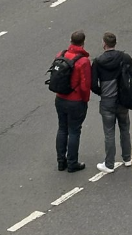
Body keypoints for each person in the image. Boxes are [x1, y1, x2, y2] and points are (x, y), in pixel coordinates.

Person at [90, 31, 132, 174]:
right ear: (115, 43)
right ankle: (127, 158)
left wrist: (101, 92)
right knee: (125, 129)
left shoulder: (98, 61)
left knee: (109, 133)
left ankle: (109, 164)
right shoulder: (124, 57)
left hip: (107, 102)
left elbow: (92, 84)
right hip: (122, 101)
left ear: (104, 44)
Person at [53, 30, 92, 173]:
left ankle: (60, 161)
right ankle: (72, 163)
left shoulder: (61, 55)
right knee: (74, 131)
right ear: (83, 42)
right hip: (76, 101)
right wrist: (85, 101)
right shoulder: (83, 61)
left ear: (70, 41)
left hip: (60, 98)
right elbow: (85, 85)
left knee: (62, 128)